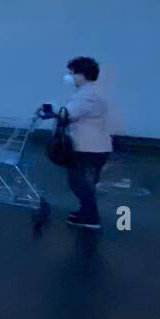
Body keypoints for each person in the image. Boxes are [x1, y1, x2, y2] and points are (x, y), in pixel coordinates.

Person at [41, 56, 112, 230]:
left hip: (89, 148)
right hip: (94, 146)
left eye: (72, 73)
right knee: (84, 182)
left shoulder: (87, 95)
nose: (69, 76)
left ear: (82, 74)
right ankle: (85, 212)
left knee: (80, 182)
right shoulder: (89, 92)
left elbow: (70, 114)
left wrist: (51, 109)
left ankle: (90, 217)